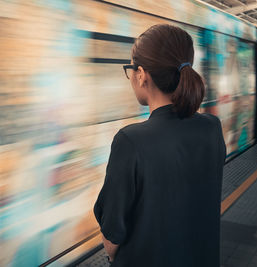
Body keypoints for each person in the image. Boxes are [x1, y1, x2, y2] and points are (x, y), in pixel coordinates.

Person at [93, 24, 227, 267]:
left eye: (130, 70)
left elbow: (112, 235)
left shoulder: (130, 141)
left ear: (142, 74)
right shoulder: (212, 128)